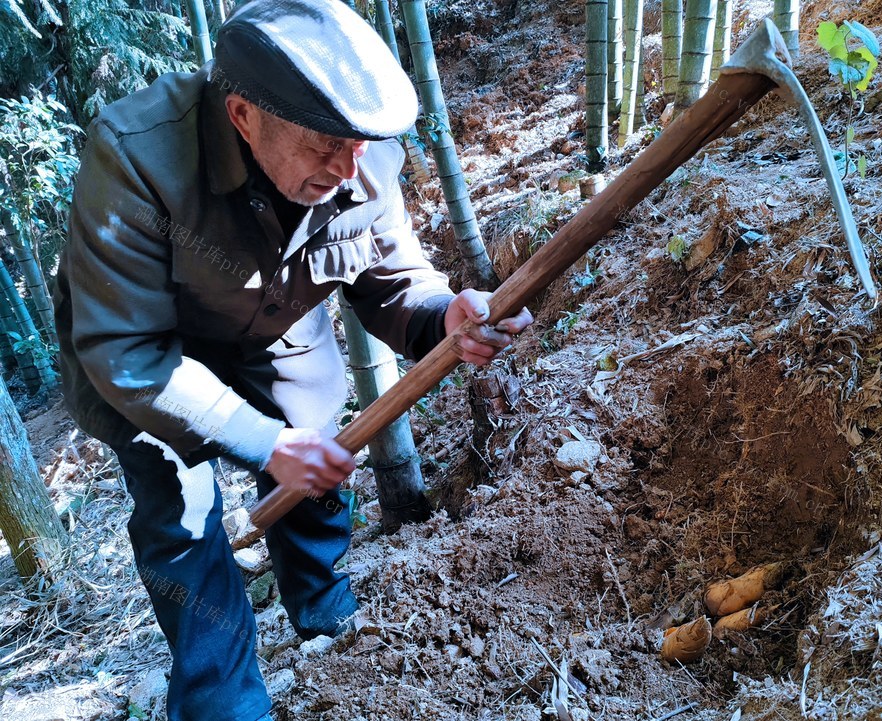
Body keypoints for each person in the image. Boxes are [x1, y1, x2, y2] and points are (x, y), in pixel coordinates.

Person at [52, 1, 532, 719]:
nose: (347, 168)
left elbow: (392, 279)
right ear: (243, 116)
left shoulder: (360, 155)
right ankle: (224, 698)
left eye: (358, 146)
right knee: (182, 515)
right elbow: (128, 352)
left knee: (316, 448)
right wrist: (263, 442)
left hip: (273, 317)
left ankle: (324, 609)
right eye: (324, 146)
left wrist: (445, 318)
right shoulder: (136, 157)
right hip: (148, 352)